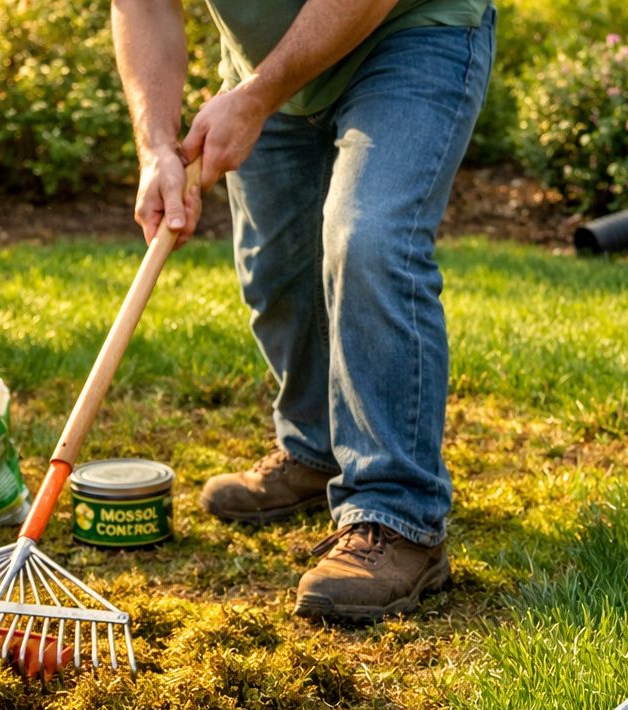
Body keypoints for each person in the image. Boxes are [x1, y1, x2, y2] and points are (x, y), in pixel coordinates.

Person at [112, 0, 494, 622]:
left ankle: (399, 515)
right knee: (277, 266)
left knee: (369, 237)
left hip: (409, 34)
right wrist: (155, 144)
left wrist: (257, 97)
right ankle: (315, 449)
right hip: (261, 65)